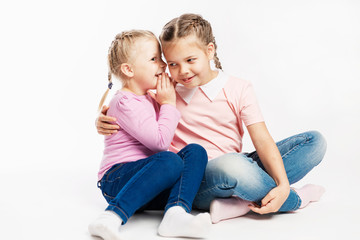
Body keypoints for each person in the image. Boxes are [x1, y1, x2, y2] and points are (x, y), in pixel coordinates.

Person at [96, 14, 327, 224]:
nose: (182, 71)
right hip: (195, 178)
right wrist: (102, 116)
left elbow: (263, 140)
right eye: (173, 64)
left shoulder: (239, 88)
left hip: (239, 164)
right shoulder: (166, 92)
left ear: (209, 51)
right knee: (233, 166)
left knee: (314, 142)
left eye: (190, 60)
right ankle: (296, 199)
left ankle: (240, 201)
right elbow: (129, 101)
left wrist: (283, 183)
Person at [89, 30, 211, 240]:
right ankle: (111, 216)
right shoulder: (124, 102)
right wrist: (168, 103)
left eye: (161, 59)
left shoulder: (149, 98)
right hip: (117, 179)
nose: (163, 65)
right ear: (128, 69)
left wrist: (164, 101)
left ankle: (176, 213)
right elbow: (159, 143)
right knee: (169, 160)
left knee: (195, 152)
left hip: (147, 181)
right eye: (154, 59)